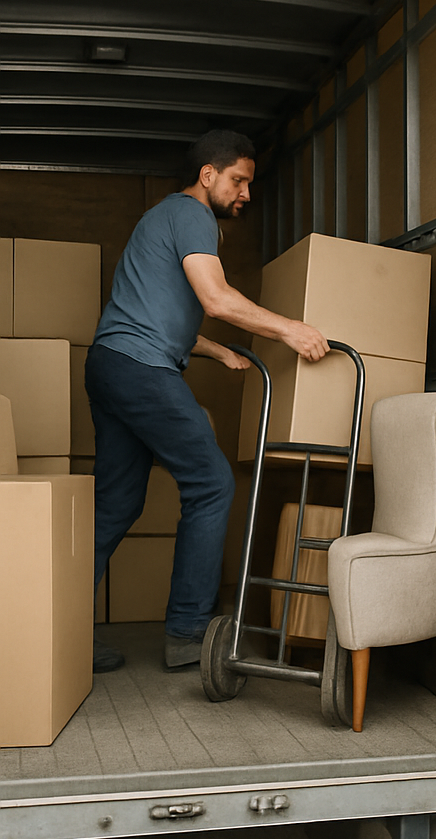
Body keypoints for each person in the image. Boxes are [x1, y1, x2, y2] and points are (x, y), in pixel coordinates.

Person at [88, 130, 329, 672]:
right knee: (212, 482)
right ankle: (189, 631)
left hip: (111, 364)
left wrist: (219, 353)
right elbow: (215, 298)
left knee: (116, 503)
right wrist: (290, 329)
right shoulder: (194, 216)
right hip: (140, 368)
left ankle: (58, 627)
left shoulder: (160, 218)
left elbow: (158, 314)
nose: (246, 193)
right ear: (208, 175)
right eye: (239, 180)